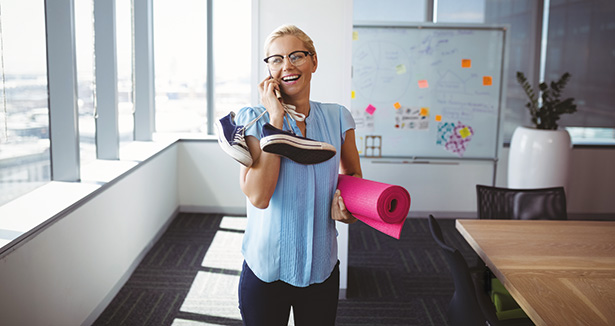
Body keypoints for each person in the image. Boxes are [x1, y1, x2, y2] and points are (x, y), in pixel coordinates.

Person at [233, 24, 362, 326]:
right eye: (275, 59)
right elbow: (259, 196)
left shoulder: (338, 117)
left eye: (296, 56)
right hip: (266, 270)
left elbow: (353, 177)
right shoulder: (253, 119)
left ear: (313, 61)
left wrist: (350, 210)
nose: (286, 66)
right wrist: (275, 121)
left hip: (321, 268)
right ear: (268, 70)